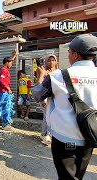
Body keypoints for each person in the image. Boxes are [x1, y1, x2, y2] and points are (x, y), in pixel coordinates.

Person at [33, 34, 97, 179]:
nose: (68, 54)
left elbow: (37, 95)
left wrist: (40, 77)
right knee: (78, 176)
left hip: (64, 139)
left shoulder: (57, 76)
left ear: (76, 54)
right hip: (90, 137)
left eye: (69, 51)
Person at [39, 54, 58, 145]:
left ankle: (49, 134)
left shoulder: (59, 72)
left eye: (53, 60)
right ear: (46, 62)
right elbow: (40, 85)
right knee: (47, 116)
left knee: (52, 116)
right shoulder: (43, 71)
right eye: (49, 60)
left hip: (56, 97)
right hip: (46, 97)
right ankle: (45, 135)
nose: (51, 62)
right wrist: (43, 100)